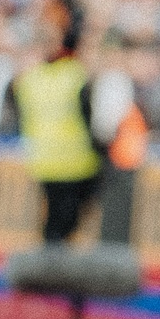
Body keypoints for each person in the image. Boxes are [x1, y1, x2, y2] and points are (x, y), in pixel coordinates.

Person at [15, 20, 102, 244]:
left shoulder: (29, 78)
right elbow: (92, 117)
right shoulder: (75, 74)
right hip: (75, 163)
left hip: (44, 161)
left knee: (53, 224)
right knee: (66, 224)